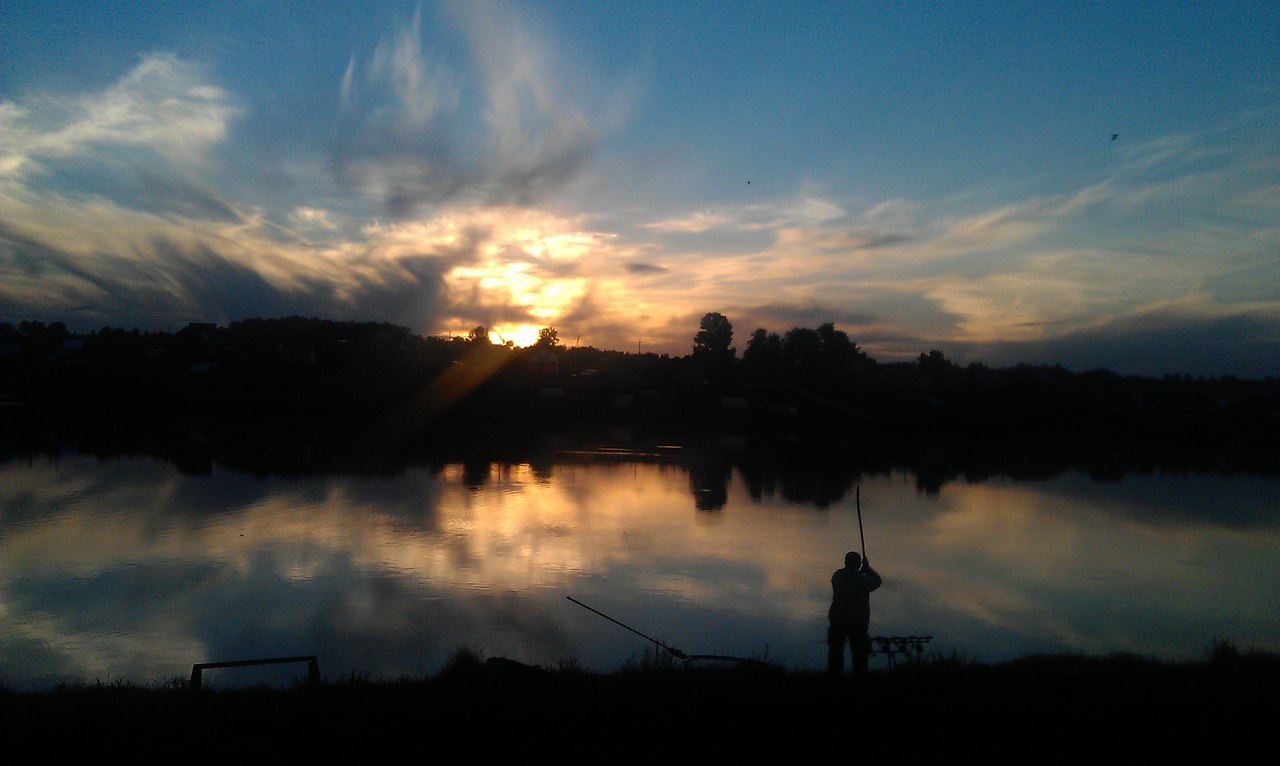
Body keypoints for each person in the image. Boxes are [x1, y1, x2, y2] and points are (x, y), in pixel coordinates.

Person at [828, 550, 882, 676]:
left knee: (835, 652)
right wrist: (868, 569)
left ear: (845, 562)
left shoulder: (837, 576)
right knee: (860, 655)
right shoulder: (863, 580)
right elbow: (877, 582)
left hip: (838, 619)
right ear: (858, 564)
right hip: (858, 622)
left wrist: (862, 572)